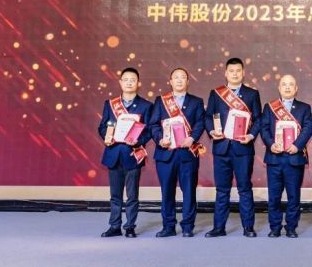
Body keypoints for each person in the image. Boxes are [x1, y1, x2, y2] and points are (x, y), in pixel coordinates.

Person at [205, 58, 262, 238]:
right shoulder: (216, 93)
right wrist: (212, 131)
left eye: (238, 70)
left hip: (243, 148)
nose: (235, 74)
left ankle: (248, 227)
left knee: (244, 188)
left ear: (243, 73)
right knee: (222, 189)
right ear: (226, 73)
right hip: (221, 147)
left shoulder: (252, 94)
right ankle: (219, 227)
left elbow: (258, 119)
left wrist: (251, 136)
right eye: (231, 71)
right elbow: (208, 117)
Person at [149, 67, 206, 237]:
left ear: (188, 81)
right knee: (167, 192)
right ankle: (168, 226)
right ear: (170, 81)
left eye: (183, 77)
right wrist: (160, 139)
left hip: (187, 153)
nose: (179, 80)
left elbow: (201, 123)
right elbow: (153, 124)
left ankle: (188, 226)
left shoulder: (196, 101)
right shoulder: (161, 101)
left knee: (189, 191)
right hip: (165, 154)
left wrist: (192, 138)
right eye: (176, 77)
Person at [98, 67, 153, 238]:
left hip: (132, 155)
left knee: (132, 195)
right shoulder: (110, 104)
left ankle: (130, 226)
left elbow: (149, 131)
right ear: (120, 82)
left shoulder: (146, 106)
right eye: (126, 80)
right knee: (115, 195)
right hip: (113, 153)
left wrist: (139, 141)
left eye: (133, 80)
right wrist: (106, 136)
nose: (129, 83)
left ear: (138, 83)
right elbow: (102, 127)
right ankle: (114, 226)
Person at [260, 75, 312, 238]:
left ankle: (291, 227)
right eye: (284, 84)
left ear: (296, 88)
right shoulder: (270, 107)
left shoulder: (304, 108)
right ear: (279, 88)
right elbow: (264, 128)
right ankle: (275, 227)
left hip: (294, 158)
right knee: (274, 196)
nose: (287, 87)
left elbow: (308, 128)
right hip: (274, 158)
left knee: (293, 196)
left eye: (291, 84)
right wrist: (271, 144)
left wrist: (297, 145)